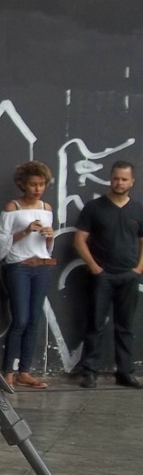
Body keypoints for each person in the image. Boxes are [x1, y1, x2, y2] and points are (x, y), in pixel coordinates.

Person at [74, 160, 143, 389]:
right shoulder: (94, 207)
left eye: (124, 179)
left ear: (132, 182)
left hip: (129, 276)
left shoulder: (138, 209)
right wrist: (94, 267)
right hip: (102, 276)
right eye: (116, 178)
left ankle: (125, 372)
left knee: (126, 326)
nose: (119, 182)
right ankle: (90, 372)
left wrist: (139, 268)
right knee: (95, 323)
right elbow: (79, 239)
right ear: (110, 179)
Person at [0, 160, 56, 389]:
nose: (37, 189)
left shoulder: (47, 208)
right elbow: (0, 242)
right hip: (19, 266)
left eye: (41, 184)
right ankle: (8, 371)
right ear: (23, 184)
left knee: (34, 319)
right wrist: (25, 231)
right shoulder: (13, 208)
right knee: (20, 319)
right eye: (33, 184)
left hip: (42, 266)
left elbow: (48, 247)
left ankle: (25, 371)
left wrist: (50, 237)